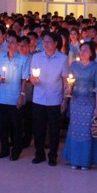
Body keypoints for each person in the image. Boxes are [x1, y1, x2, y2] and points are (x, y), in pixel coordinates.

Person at [61, 41, 97, 170]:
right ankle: (74, 159)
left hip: (89, 102)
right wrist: (66, 97)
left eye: (86, 50)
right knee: (75, 129)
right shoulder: (74, 65)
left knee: (87, 131)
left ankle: (85, 160)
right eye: (81, 50)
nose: (82, 52)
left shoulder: (96, 67)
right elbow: (69, 82)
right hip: (75, 101)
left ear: (91, 53)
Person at [29, 32, 69, 167]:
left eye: (49, 42)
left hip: (54, 98)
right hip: (38, 97)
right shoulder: (36, 57)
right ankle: (39, 153)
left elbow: (65, 80)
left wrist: (65, 99)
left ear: (56, 43)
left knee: (54, 129)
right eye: (44, 41)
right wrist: (33, 80)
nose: (45, 44)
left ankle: (53, 155)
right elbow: (32, 75)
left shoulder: (62, 59)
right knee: (38, 128)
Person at [0, 34, 29, 161]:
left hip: (16, 96)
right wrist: (0, 78)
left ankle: (16, 150)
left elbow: (24, 79)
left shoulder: (23, 59)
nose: (9, 44)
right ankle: (4, 149)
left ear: (17, 44)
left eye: (12, 42)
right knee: (3, 126)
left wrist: (22, 95)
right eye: (8, 42)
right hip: (3, 96)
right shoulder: (0, 58)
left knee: (16, 126)